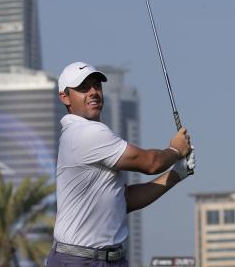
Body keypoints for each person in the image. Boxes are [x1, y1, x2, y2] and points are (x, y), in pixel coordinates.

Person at [48, 61, 194, 267]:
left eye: (96, 86)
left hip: (110, 260)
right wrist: (176, 149)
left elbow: (125, 200)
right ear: (65, 97)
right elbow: (151, 163)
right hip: (79, 261)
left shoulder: (89, 133)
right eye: (83, 88)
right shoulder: (85, 133)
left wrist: (178, 173)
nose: (93, 92)